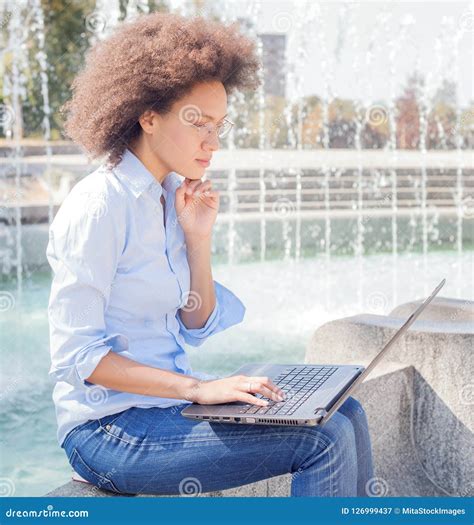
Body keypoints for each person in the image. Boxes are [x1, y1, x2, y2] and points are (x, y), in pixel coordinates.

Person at [47, 12, 374, 497]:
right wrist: (198, 390)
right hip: (107, 431)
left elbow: (195, 323)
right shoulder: (100, 205)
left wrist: (197, 238)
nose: (212, 142)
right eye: (197, 121)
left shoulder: (173, 196)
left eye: (219, 125)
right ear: (148, 115)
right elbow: (77, 357)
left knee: (346, 410)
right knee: (321, 438)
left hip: (163, 411)